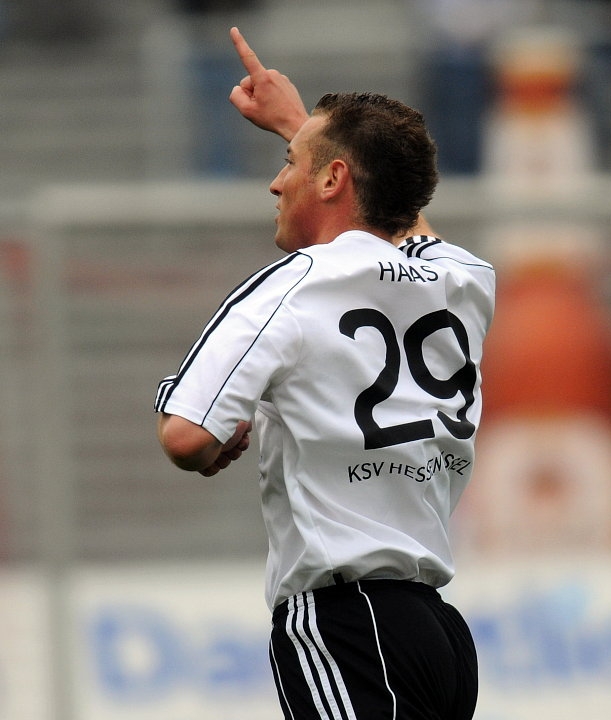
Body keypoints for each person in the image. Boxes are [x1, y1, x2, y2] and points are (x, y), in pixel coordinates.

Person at [155, 26, 495, 720]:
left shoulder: (294, 283)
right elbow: (401, 218)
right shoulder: (463, 279)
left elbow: (186, 435)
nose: (277, 181)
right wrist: (304, 129)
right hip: (438, 634)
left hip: (345, 622)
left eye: (290, 161)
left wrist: (209, 442)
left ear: (334, 178)